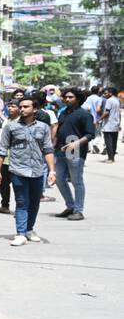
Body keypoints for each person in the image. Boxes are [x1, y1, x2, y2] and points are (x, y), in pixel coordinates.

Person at [0, 98, 56, 246]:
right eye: (20, 106)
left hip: (37, 171)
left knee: (34, 203)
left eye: (26, 106)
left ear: (34, 109)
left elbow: (48, 149)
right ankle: (20, 233)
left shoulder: (43, 127)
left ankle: (29, 229)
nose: (22, 109)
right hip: (18, 170)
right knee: (21, 203)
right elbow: (2, 150)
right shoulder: (11, 127)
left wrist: (52, 171)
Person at [52, 87, 93, 221]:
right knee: (59, 179)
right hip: (60, 149)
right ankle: (70, 206)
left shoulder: (84, 114)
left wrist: (76, 143)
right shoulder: (63, 113)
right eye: (66, 97)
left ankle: (78, 210)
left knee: (76, 181)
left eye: (71, 97)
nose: (67, 99)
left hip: (74, 148)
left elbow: (90, 134)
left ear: (78, 99)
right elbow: (58, 130)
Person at [98, 86, 120, 162]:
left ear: (110, 93)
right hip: (115, 123)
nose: (104, 95)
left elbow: (107, 112)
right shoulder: (117, 100)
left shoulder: (109, 100)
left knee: (108, 141)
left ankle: (110, 158)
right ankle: (112, 157)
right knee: (114, 141)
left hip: (108, 124)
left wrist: (98, 120)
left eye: (105, 93)